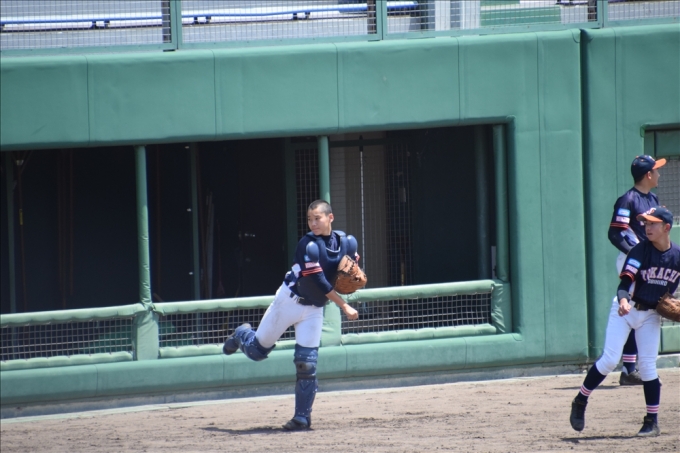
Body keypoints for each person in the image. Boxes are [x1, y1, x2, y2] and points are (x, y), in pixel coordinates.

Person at [222, 199, 360, 431]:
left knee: (307, 364)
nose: (313, 223)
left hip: (314, 308)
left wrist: (353, 273)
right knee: (256, 352)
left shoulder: (347, 242)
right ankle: (241, 334)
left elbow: (351, 268)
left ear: (330, 218)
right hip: (289, 302)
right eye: (309, 219)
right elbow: (318, 280)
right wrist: (344, 305)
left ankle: (301, 418)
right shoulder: (308, 244)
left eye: (317, 218)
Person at [571, 206, 680, 437]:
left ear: (666, 227)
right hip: (625, 309)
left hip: (651, 314)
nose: (647, 227)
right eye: (645, 222)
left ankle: (651, 422)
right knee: (610, 359)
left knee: (648, 366)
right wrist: (622, 301)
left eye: (652, 223)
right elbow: (624, 285)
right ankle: (581, 400)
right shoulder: (640, 250)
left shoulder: (677, 256)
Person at [607, 155, 666, 385]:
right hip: (632, 261)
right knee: (633, 312)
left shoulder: (652, 197)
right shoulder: (628, 200)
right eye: (656, 170)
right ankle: (628, 369)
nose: (659, 174)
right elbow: (615, 233)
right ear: (648, 174)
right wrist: (634, 255)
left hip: (649, 261)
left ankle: (630, 368)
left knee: (641, 311)